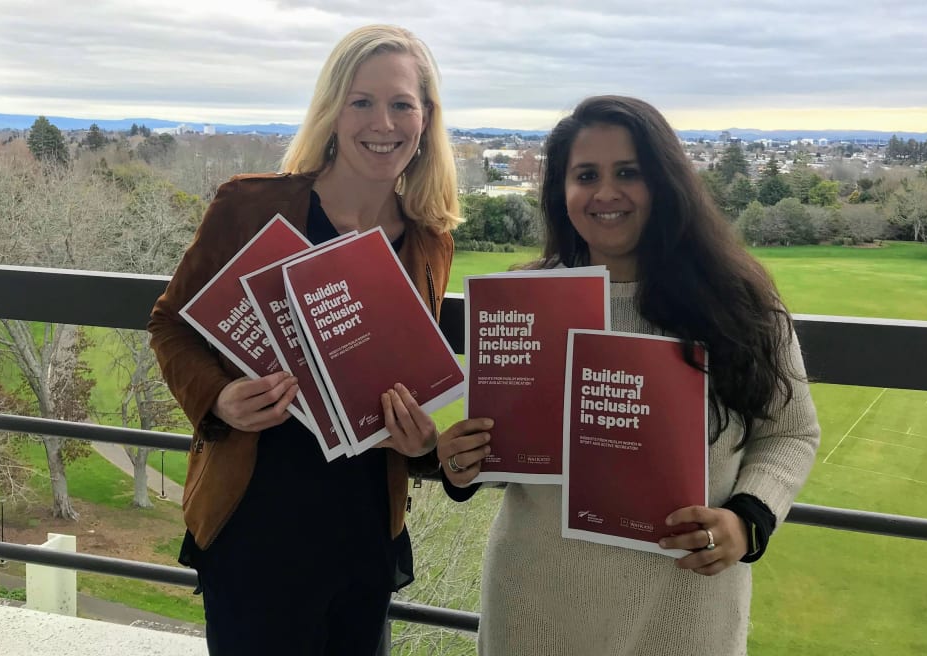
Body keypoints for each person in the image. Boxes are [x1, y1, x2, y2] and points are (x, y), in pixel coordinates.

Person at [437, 96, 820, 656]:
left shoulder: (740, 304)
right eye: (585, 175)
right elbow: (513, 451)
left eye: (628, 173)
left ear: (664, 183)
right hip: (535, 608)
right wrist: (462, 460)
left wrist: (747, 520)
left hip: (685, 611)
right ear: (560, 192)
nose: (606, 193)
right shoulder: (526, 299)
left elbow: (791, 433)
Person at [147, 24, 459, 656]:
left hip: (365, 525)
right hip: (258, 519)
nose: (384, 121)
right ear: (333, 111)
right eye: (361, 101)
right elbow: (171, 324)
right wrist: (219, 398)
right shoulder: (250, 208)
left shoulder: (429, 244)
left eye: (402, 103)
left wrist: (422, 441)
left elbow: (402, 380)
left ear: (426, 119)